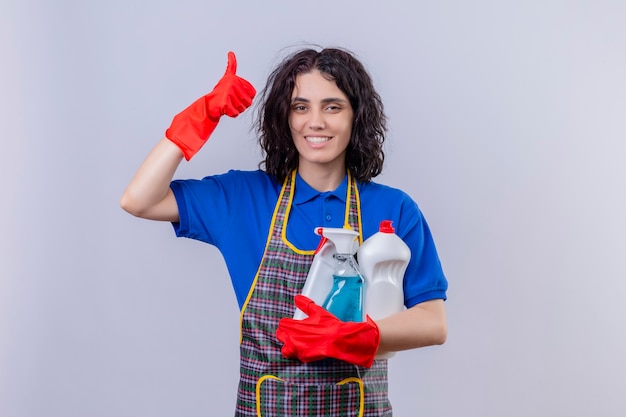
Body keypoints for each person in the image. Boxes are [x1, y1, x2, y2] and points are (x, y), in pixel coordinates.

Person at [120, 47, 448, 416]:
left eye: (333, 106)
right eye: (301, 106)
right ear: (284, 117)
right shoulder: (242, 198)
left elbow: (433, 323)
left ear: (356, 116)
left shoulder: (394, 209)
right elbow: (139, 200)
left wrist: (357, 336)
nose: (316, 122)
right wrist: (198, 118)